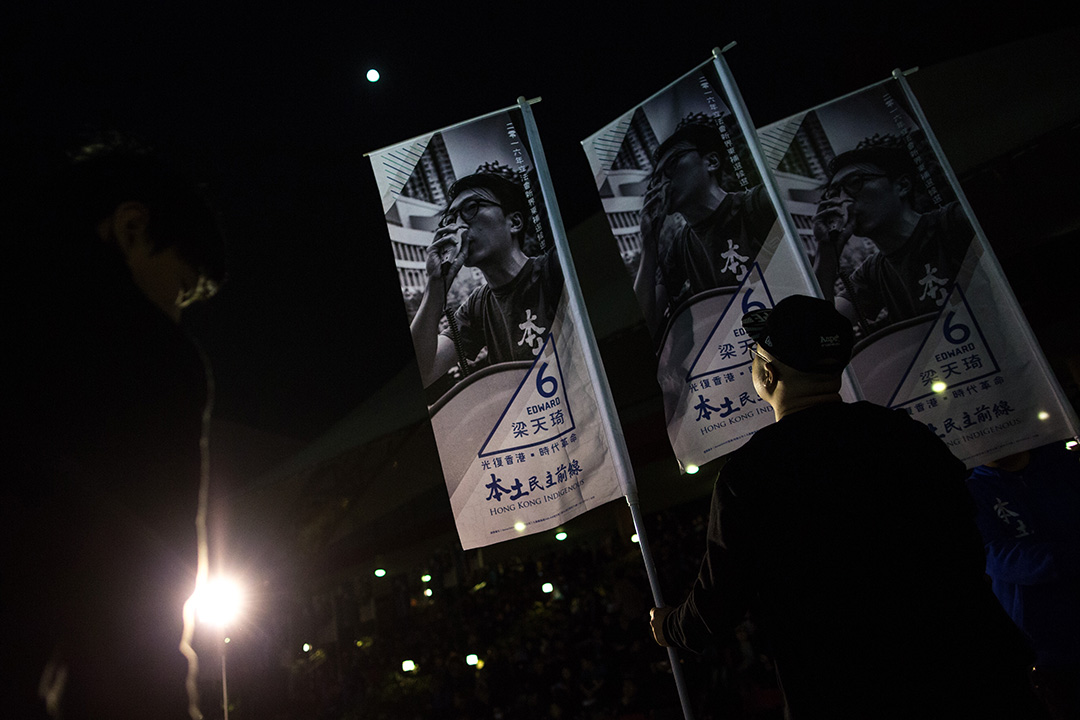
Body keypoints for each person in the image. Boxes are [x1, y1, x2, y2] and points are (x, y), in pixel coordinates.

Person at [649, 294, 1045, 718]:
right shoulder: (905, 436)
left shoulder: (752, 473)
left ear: (767, 372)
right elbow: (966, 537)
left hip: (848, 690)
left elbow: (720, 601)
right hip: (974, 673)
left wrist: (669, 625)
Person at [2, 135, 226, 718]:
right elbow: (132, 612)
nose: (175, 312)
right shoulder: (145, 356)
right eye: (180, 286)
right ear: (130, 227)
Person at [410, 169, 562, 388]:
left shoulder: (556, 268)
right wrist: (436, 285)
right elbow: (423, 373)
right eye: (451, 219)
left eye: (471, 208)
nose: (458, 225)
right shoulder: (476, 307)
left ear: (515, 222)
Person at [812, 136, 974, 338]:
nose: (844, 198)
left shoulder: (956, 222)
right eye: (835, 192)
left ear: (903, 185)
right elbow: (823, 329)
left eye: (855, 182)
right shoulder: (872, 273)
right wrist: (826, 250)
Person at [967, 442, 1080, 720]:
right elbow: (996, 556)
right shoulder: (973, 491)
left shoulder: (1065, 465)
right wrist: (1065, 557)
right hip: (1043, 641)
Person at [633, 115, 776, 335]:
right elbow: (646, 328)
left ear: (711, 162)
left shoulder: (759, 203)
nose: (663, 182)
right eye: (656, 178)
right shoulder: (680, 247)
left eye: (672, 165)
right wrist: (648, 244)